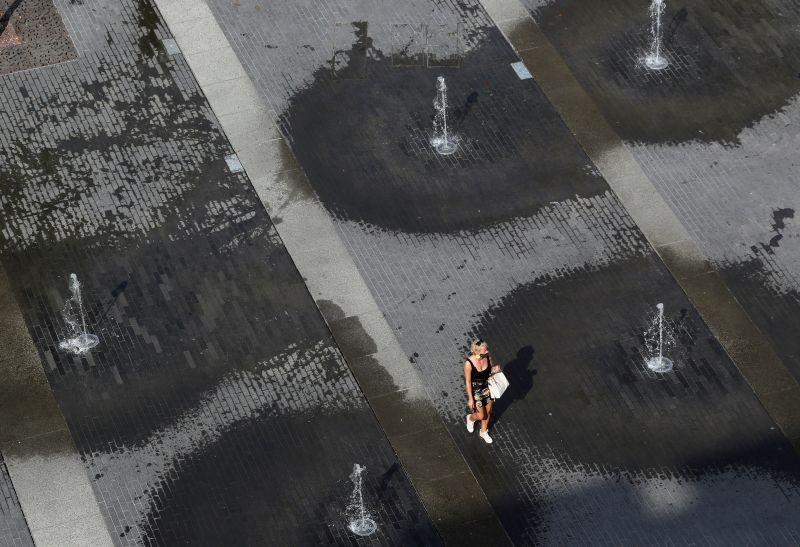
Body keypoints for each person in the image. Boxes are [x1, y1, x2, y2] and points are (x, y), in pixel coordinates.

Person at [464, 339, 501, 444]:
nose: (486, 352)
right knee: (480, 415)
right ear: (477, 352)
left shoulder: (487, 357)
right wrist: (470, 399)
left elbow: (489, 372)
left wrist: (495, 369)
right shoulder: (469, 363)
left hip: (487, 387)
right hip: (476, 391)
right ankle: (470, 419)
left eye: (486, 350)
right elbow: (467, 381)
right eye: (484, 351)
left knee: (488, 411)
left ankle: (483, 431)